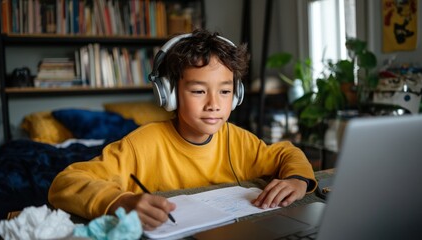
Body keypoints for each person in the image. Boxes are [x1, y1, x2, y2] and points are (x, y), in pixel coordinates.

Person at [48, 29, 317, 231]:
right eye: (199, 91)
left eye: (225, 91)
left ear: (237, 96)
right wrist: (121, 202)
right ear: (169, 95)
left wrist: (297, 180)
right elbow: (65, 183)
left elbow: (286, 152)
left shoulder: (239, 140)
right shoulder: (141, 145)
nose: (214, 104)